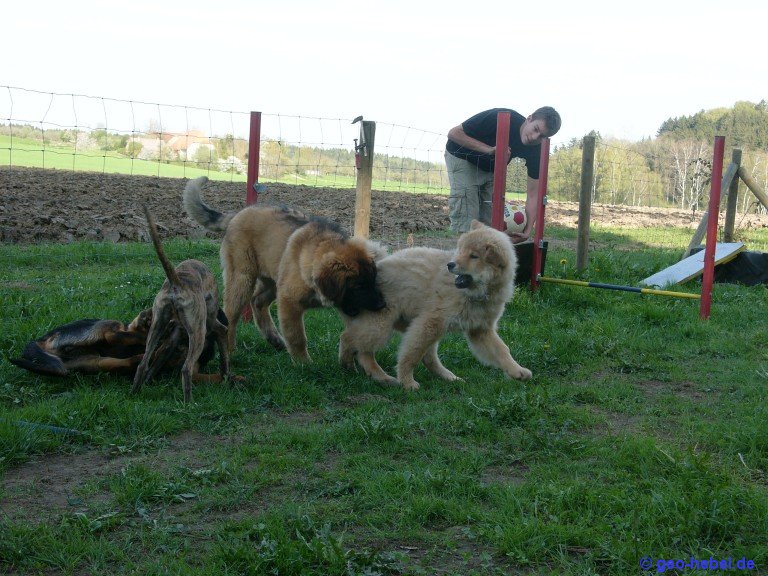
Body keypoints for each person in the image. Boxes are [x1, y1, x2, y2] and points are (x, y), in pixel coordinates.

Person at [444, 106, 561, 243]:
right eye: (536, 129)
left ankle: (486, 254)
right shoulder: (498, 117)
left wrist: (527, 230)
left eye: (542, 136)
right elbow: (454, 133)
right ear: (529, 119)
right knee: (468, 216)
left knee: (491, 221)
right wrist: (490, 150)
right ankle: (465, 253)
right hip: (462, 157)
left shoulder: (537, 149)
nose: (534, 137)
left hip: (492, 167)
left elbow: (533, 194)